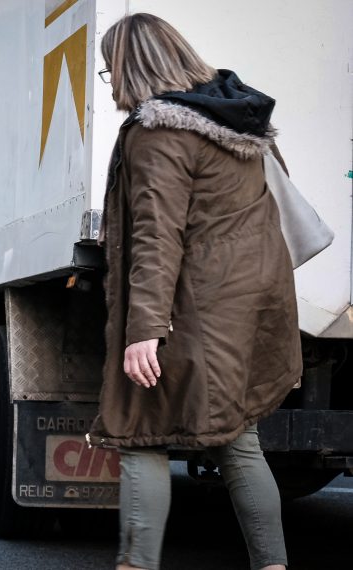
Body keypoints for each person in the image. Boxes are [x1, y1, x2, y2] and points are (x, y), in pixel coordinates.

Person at [86, 13, 301, 570]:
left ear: (131, 66)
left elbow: (156, 236)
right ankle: (273, 565)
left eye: (109, 69)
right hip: (246, 308)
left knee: (141, 432)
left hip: (187, 310)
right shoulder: (236, 121)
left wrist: (144, 331)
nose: (110, 82)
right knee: (237, 437)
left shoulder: (159, 134)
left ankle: (136, 565)